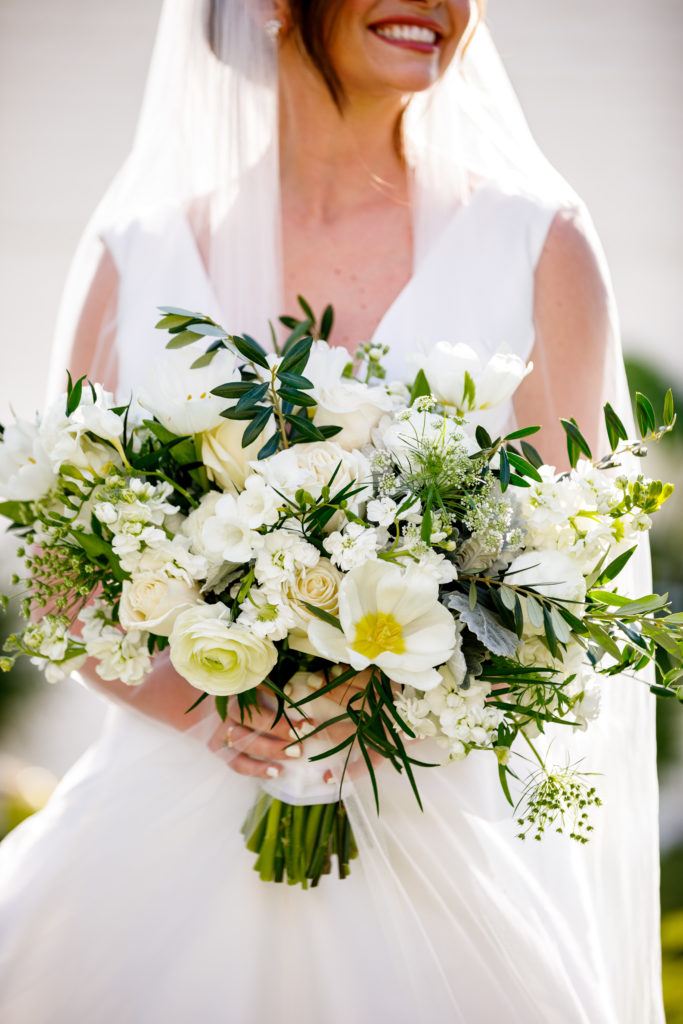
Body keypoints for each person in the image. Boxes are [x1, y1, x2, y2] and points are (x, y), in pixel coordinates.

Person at [0, 2, 664, 1021]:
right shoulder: (139, 256)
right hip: (154, 840)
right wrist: (213, 702)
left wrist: (396, 703)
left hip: (436, 843)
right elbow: (59, 579)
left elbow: (569, 573)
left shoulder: (537, 245)